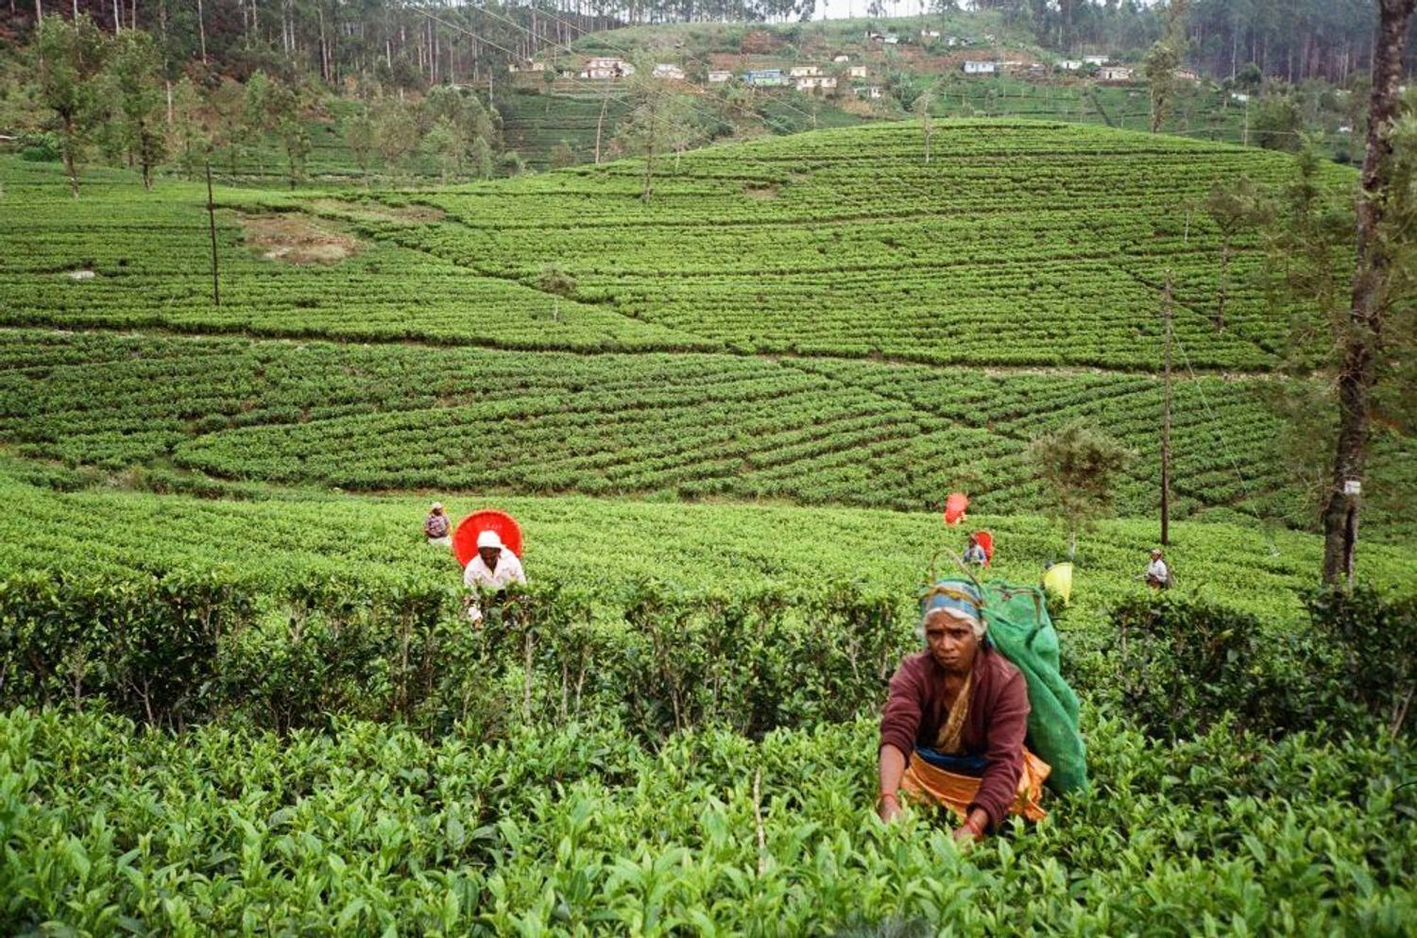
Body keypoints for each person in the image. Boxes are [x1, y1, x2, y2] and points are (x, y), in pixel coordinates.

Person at [876, 582, 1049, 843]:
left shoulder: (1005, 680)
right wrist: (887, 798)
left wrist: (974, 827)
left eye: (958, 634)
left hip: (983, 772)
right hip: (931, 770)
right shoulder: (914, 671)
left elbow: (1004, 758)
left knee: (1018, 791)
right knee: (898, 783)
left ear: (978, 633)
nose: (946, 645)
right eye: (935, 634)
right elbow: (897, 731)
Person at [463, 530, 527, 622]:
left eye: (492, 557)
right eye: (485, 558)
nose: (489, 561)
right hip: (485, 606)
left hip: (509, 604)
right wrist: (476, 618)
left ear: (499, 551)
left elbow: (522, 587)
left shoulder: (512, 562)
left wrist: (522, 611)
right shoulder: (472, 569)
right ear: (480, 553)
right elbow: (471, 598)